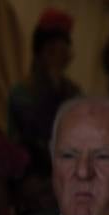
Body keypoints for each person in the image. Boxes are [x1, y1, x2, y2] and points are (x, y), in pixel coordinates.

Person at [7, 8, 82, 156]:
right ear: (41, 53)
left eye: (64, 49)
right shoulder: (21, 92)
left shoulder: (74, 93)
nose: (60, 56)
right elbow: (31, 132)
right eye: (52, 50)